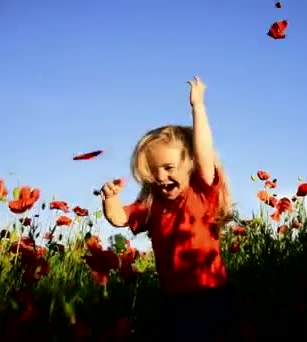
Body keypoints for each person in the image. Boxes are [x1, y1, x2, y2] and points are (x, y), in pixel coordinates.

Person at [100, 76, 234, 342]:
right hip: (173, 298)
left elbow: (204, 152)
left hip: (211, 293)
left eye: (169, 168)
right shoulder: (151, 205)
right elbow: (118, 219)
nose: (161, 177)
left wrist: (198, 107)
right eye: (153, 170)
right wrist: (110, 199)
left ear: (191, 164)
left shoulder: (201, 192)